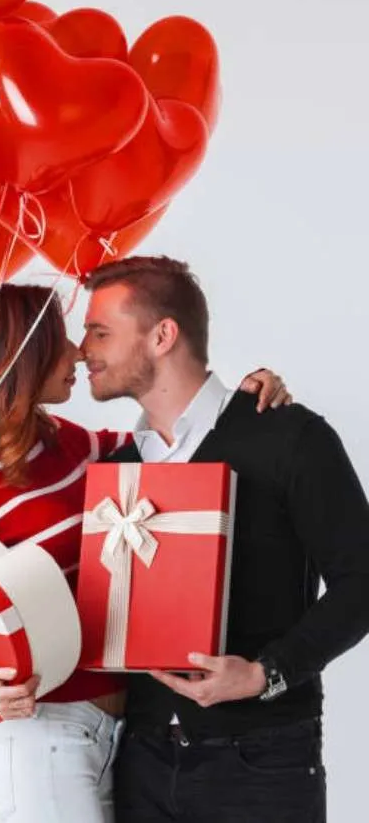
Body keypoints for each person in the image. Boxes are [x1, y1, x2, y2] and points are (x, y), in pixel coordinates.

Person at [0, 283, 290, 823]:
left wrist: (239, 401)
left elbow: (167, 446)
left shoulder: (72, 445)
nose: (78, 351)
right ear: (20, 357)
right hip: (44, 738)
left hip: (121, 735)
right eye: (60, 339)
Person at [78, 255, 369, 823]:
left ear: (163, 335)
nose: (82, 349)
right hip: (141, 760)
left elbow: (362, 581)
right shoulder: (115, 465)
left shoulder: (289, 437)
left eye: (100, 332)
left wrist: (265, 673)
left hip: (264, 762)